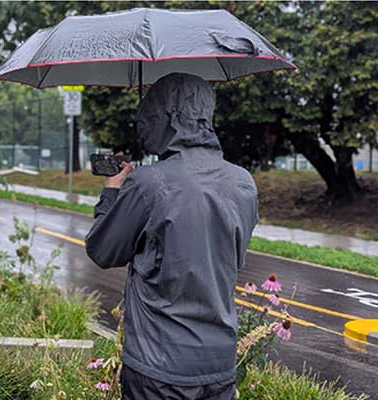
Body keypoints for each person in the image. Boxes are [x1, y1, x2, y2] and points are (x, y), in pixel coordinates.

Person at [85, 73, 258, 400]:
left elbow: (103, 250)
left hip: (158, 365)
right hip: (219, 364)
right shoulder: (243, 183)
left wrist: (111, 193)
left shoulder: (149, 184)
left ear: (165, 118)